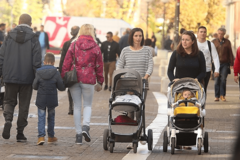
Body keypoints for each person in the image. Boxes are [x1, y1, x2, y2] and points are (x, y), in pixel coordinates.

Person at [0, 14, 42, 141]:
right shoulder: (34, 38)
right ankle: (20, 133)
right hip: (27, 77)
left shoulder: (8, 37)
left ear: (18, 22)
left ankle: (8, 120)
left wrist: (2, 73)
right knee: (24, 105)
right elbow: (37, 60)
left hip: (10, 76)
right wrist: (37, 77)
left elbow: (1, 56)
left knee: (8, 101)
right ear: (30, 24)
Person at [61, 24, 104, 144]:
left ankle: (78, 135)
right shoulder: (95, 46)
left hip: (74, 79)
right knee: (87, 105)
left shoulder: (73, 44)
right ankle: (86, 126)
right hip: (89, 79)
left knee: (77, 106)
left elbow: (66, 63)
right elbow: (99, 65)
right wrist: (100, 80)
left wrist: (63, 77)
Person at [33, 53, 65, 145]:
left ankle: (41, 137)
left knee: (41, 117)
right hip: (52, 98)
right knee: (51, 118)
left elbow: (34, 86)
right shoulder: (56, 72)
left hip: (41, 98)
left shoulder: (38, 72)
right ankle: (51, 136)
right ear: (53, 62)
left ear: (44, 61)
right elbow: (61, 87)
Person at [59, 26, 80, 115]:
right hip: (80, 70)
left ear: (71, 33)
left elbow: (62, 59)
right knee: (78, 89)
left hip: (69, 71)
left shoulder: (67, 43)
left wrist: (61, 72)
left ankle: (71, 107)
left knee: (71, 88)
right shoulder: (82, 43)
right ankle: (76, 107)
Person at [212, 28, 234, 102]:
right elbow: (210, 52)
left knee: (223, 79)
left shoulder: (227, 42)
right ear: (217, 33)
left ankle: (222, 95)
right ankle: (216, 96)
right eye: (219, 33)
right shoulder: (213, 42)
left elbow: (230, 53)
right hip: (215, 64)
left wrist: (232, 63)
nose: (220, 35)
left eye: (222, 34)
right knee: (216, 80)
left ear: (224, 34)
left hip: (225, 63)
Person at [197, 26, 220, 94]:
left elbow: (215, 57)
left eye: (204, 32)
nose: (203, 33)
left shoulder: (210, 44)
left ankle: (202, 103)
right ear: (198, 33)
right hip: (196, 69)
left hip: (206, 70)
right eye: (201, 32)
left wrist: (216, 70)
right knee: (196, 88)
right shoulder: (194, 44)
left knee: (204, 88)